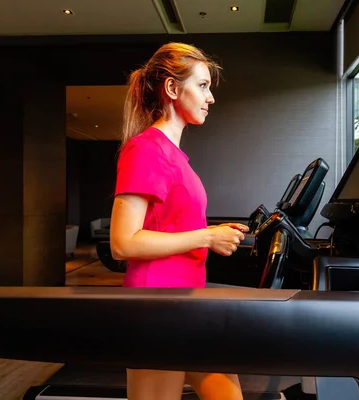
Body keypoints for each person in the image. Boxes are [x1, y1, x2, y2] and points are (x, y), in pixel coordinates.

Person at [109, 42, 248, 400]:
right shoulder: (146, 150)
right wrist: (206, 237)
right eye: (202, 86)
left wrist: (216, 233)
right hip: (156, 304)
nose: (211, 97)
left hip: (185, 300)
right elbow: (123, 243)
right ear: (172, 88)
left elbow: (172, 224)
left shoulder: (175, 156)